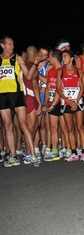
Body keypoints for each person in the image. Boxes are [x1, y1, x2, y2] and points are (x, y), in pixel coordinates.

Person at [0, 36, 39, 167]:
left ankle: (33, 155)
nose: (12, 46)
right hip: (2, 96)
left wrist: (35, 63)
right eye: (10, 44)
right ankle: (13, 156)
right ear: (2, 45)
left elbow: (28, 75)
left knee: (23, 124)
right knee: (7, 126)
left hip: (17, 94)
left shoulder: (18, 58)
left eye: (13, 44)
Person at [57, 50, 84, 162]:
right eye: (62, 57)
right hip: (66, 103)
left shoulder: (79, 71)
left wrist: (76, 101)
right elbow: (59, 89)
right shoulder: (61, 71)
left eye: (65, 57)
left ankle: (83, 152)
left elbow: (82, 88)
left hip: (78, 102)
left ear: (71, 58)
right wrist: (68, 101)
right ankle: (73, 152)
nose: (63, 59)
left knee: (80, 127)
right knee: (70, 129)